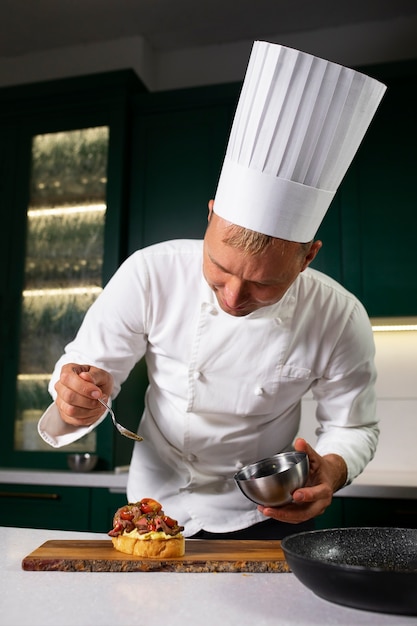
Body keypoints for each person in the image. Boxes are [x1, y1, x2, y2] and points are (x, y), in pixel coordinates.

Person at [38, 41, 386, 539]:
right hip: (151, 507)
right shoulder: (150, 273)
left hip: (263, 511)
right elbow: (86, 371)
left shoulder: (338, 316)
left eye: (264, 284)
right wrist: (76, 399)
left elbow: (354, 427)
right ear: (208, 219)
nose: (232, 297)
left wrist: (332, 470)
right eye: (218, 269)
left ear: (307, 257)